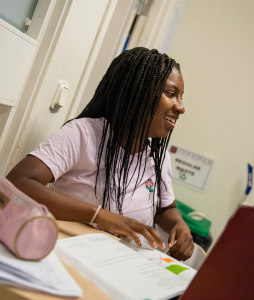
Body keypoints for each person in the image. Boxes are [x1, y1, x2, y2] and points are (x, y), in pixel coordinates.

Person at [6, 47, 194, 261]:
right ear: (138, 93)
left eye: (181, 97)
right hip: (72, 255)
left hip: (126, 263)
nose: (181, 107)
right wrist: (100, 216)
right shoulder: (83, 134)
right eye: (170, 94)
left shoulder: (158, 155)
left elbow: (165, 207)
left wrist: (179, 224)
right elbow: (18, 183)